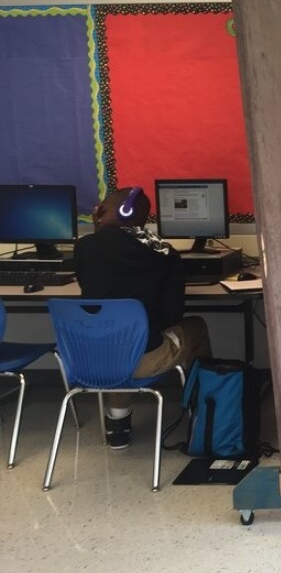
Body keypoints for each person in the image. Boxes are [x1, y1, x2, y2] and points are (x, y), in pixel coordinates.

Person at [74, 187, 212, 449]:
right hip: (143, 360)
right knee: (197, 326)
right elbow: (173, 315)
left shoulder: (85, 248)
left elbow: (93, 283)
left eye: (102, 207)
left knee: (118, 337)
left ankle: (118, 426)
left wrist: (100, 228)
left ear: (108, 212)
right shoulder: (164, 254)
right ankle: (206, 415)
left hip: (90, 358)